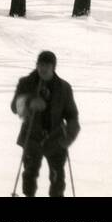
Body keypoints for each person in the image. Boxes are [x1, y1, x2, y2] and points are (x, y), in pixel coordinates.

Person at [12, 50, 80, 197]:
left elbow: (72, 117)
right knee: (29, 175)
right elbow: (14, 107)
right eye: (40, 65)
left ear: (53, 67)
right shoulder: (26, 83)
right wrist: (29, 102)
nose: (42, 69)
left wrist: (68, 137)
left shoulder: (64, 88)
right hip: (31, 137)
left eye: (46, 66)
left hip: (56, 139)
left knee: (57, 179)